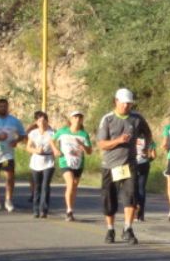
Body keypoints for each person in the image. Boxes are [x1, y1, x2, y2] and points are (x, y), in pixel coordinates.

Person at [96, 88, 152, 244]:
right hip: (110, 165)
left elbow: (148, 133)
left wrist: (147, 147)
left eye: (129, 104)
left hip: (130, 165)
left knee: (131, 197)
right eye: (124, 103)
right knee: (109, 199)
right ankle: (110, 229)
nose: (127, 106)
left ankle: (128, 228)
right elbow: (102, 144)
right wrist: (118, 141)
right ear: (116, 101)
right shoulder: (107, 119)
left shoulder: (137, 119)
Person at [54, 110, 93, 221]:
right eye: (75, 117)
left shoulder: (84, 134)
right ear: (71, 119)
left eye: (80, 118)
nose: (77, 119)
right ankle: (69, 210)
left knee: (74, 186)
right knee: (70, 184)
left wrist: (83, 147)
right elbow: (52, 140)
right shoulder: (62, 131)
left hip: (78, 162)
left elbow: (89, 151)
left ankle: (71, 208)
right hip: (65, 161)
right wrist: (56, 150)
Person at [26, 112, 57, 218]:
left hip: (48, 161)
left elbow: (56, 146)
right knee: (37, 186)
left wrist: (56, 151)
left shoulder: (52, 133)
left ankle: (44, 209)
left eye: (44, 120)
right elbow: (28, 147)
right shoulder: (33, 133)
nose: (42, 123)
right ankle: (35, 209)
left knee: (45, 186)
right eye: (39, 121)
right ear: (36, 122)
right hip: (36, 161)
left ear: (47, 121)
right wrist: (36, 150)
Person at [135, 133, 156, 222]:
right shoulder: (149, 139)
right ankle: (141, 215)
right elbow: (154, 156)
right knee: (141, 189)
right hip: (144, 164)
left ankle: (134, 213)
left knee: (132, 188)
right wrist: (147, 160)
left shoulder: (132, 136)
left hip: (133, 164)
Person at [26, 110, 46, 203]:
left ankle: (41, 193)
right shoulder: (31, 129)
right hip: (34, 153)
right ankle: (33, 193)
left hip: (45, 154)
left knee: (43, 175)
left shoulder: (47, 128)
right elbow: (26, 139)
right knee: (33, 176)